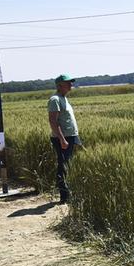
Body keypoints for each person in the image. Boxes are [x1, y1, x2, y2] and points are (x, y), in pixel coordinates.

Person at [48, 73, 81, 203]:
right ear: (60, 85)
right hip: (62, 138)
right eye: (68, 83)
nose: (70, 85)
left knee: (67, 165)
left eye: (70, 82)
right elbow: (53, 121)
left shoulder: (63, 98)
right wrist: (62, 139)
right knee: (63, 166)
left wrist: (75, 137)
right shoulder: (55, 99)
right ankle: (64, 197)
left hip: (70, 137)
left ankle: (67, 194)